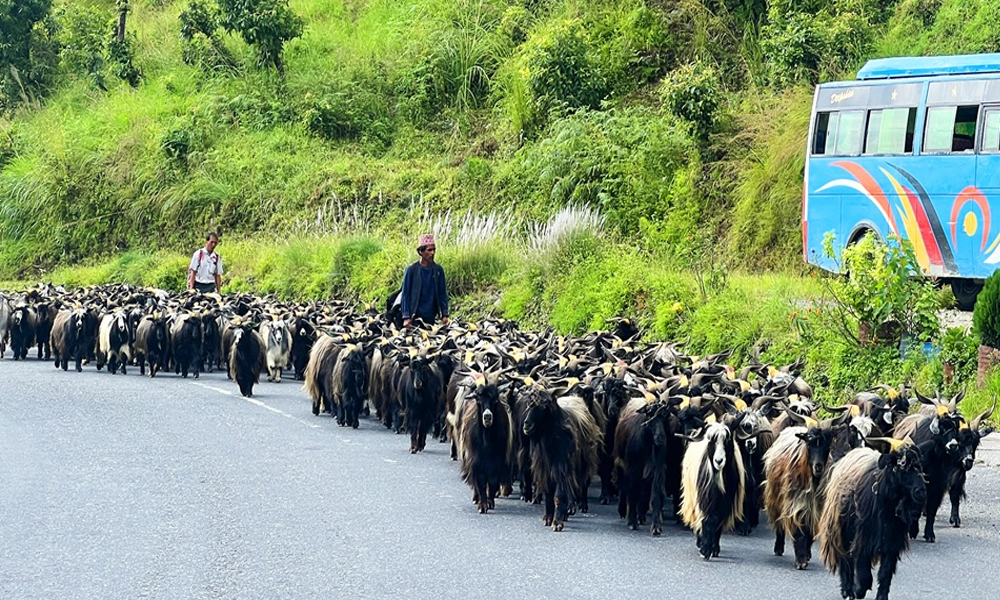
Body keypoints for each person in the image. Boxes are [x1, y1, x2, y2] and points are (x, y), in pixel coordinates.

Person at [400, 233, 449, 328]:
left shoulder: (438, 270)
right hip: (415, 317)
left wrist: (444, 314)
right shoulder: (411, 270)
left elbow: (442, 293)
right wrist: (406, 316)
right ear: (421, 252)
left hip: (430, 317)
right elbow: (405, 294)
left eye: (434, 250)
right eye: (429, 250)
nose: (432, 253)